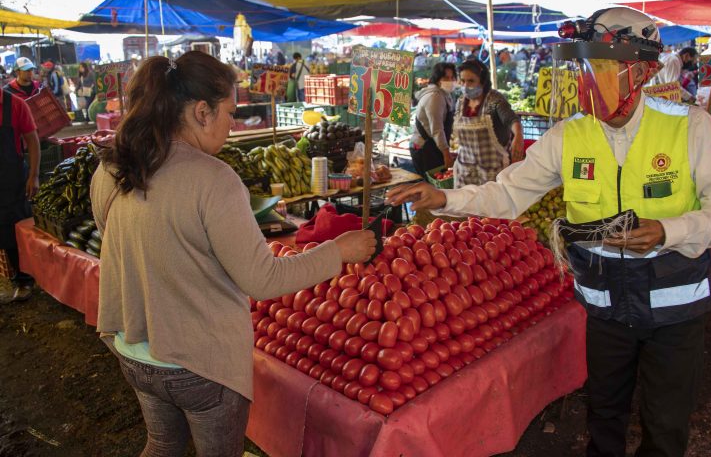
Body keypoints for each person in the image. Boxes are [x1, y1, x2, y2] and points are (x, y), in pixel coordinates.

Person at [386, 7, 711, 457]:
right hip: (605, 308)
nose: (587, 78)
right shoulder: (568, 135)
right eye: (583, 65)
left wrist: (667, 230)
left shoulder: (689, 126)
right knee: (603, 413)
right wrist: (444, 200)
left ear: (640, 70)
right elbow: (509, 193)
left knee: (666, 423)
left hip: (674, 310)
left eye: (601, 65)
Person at [90, 51, 375, 455]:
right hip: (199, 364)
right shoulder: (214, 179)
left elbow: (115, 237)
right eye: (229, 111)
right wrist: (338, 251)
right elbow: (261, 280)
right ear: (202, 111)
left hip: (133, 349)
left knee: (162, 445)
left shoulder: (112, 166)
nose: (233, 123)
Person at [452, 58, 523, 187]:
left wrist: (518, 136)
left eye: (471, 81)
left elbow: (511, 119)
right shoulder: (461, 102)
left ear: (483, 81)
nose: (465, 86)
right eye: (462, 81)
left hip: (492, 172)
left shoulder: (494, 100)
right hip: (465, 171)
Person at [0, 81, 40, 304]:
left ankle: (23, 280)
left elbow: (32, 141)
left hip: (12, 180)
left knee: (15, 231)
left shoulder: (14, 105)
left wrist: (33, 176)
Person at [410, 62, 457, 179]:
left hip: (432, 146)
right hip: (424, 148)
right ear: (437, 78)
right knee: (431, 188)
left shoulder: (443, 94)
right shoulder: (435, 97)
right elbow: (437, 129)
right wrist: (446, 154)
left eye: (452, 77)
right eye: (446, 77)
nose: (450, 81)